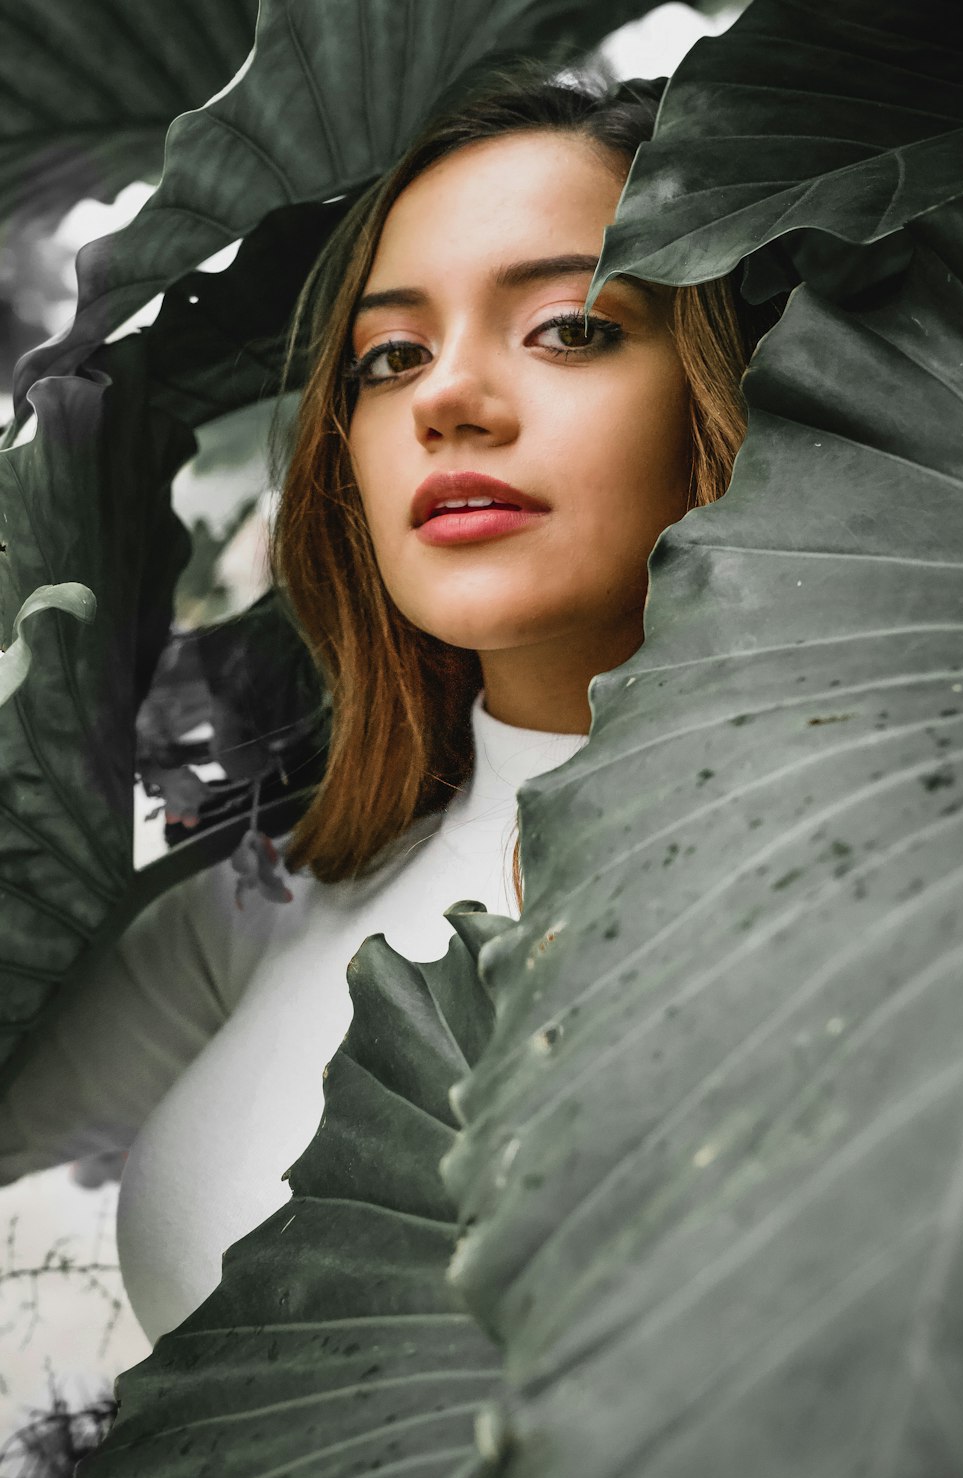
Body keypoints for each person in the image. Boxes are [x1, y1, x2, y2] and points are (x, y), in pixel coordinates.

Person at [0, 61, 773, 1345]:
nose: (446, 403)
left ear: (730, 376)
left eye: (569, 327)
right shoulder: (269, 901)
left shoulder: (907, 879)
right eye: (390, 355)